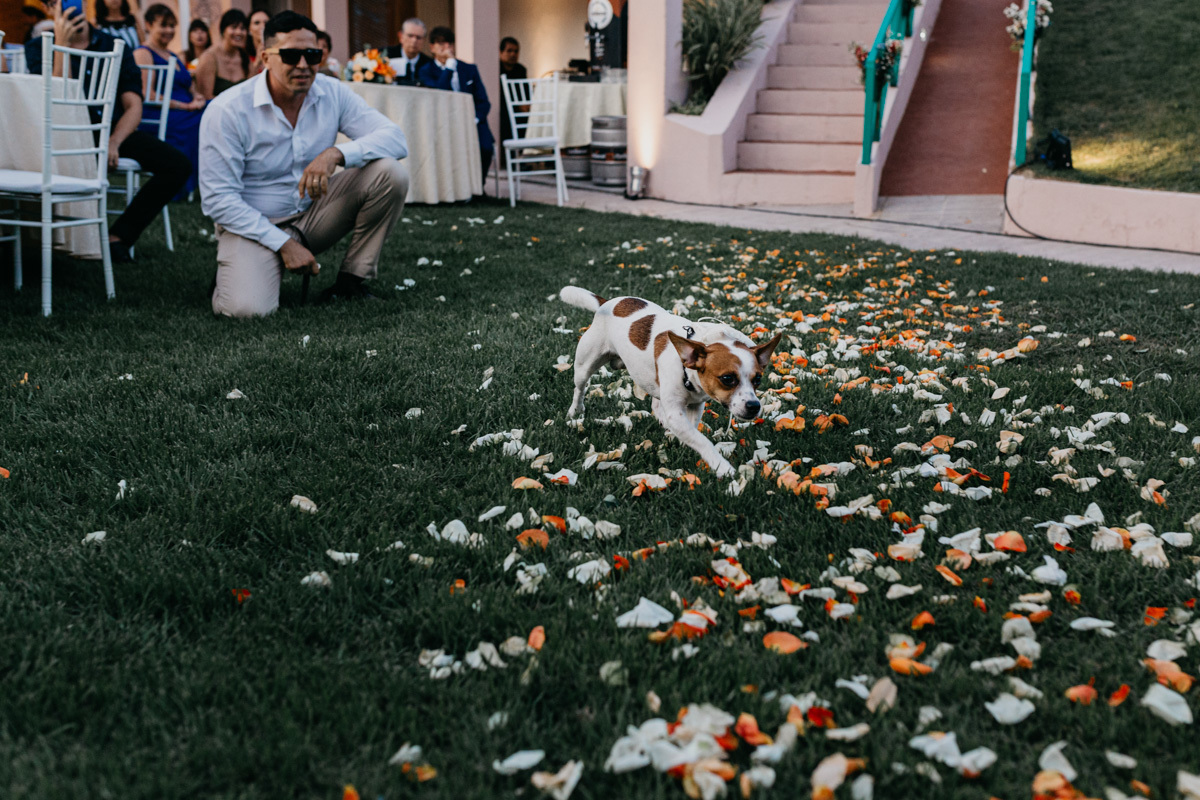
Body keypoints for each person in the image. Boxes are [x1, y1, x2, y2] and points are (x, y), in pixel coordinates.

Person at [199, 11, 409, 317]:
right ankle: (238, 270)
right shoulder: (227, 110)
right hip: (252, 225)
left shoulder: (331, 91)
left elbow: (395, 138)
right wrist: (284, 244)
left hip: (313, 214)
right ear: (265, 58)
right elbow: (219, 200)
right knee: (247, 310)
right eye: (290, 55)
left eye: (312, 54)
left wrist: (335, 154)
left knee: (390, 174)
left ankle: (350, 283)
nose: (303, 65)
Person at [26, 1, 190, 263]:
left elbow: (134, 104)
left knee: (178, 165)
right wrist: (62, 45)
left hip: (113, 132)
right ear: (49, 8)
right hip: (62, 134)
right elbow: (56, 101)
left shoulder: (114, 45)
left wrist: (113, 141)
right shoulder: (37, 48)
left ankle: (118, 237)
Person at [134, 4, 204, 195]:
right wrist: (186, 106)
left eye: (172, 26)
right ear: (148, 25)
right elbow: (147, 94)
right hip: (159, 114)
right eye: (163, 25)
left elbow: (190, 87)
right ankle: (185, 183)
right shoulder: (143, 53)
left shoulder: (174, 55)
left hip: (184, 111)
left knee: (214, 111)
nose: (169, 30)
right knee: (206, 122)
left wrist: (197, 97)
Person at [419, 26, 494, 182]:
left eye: (448, 43)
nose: (445, 47)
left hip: (472, 120)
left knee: (486, 148)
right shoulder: (425, 71)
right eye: (440, 44)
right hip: (442, 122)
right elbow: (440, 93)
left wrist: (475, 119)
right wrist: (449, 67)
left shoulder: (469, 69)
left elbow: (484, 101)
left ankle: (478, 185)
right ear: (432, 47)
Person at [194, 9, 248, 98]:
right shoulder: (209, 57)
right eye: (234, 27)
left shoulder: (245, 58)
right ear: (223, 30)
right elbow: (205, 97)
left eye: (242, 28)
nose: (239, 32)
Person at [498, 36, 526, 158]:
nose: (513, 54)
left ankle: (522, 155)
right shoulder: (496, 69)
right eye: (509, 51)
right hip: (502, 108)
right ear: (501, 52)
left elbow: (525, 91)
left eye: (516, 51)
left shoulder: (521, 70)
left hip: (518, 108)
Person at [384, 17, 431, 86]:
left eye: (418, 38)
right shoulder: (386, 56)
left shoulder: (428, 64)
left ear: (424, 40)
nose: (414, 41)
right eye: (410, 36)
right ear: (401, 36)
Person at [247, 8, 269, 73]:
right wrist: (257, 62)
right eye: (257, 23)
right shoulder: (243, 55)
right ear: (249, 29)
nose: (262, 26)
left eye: (266, 22)